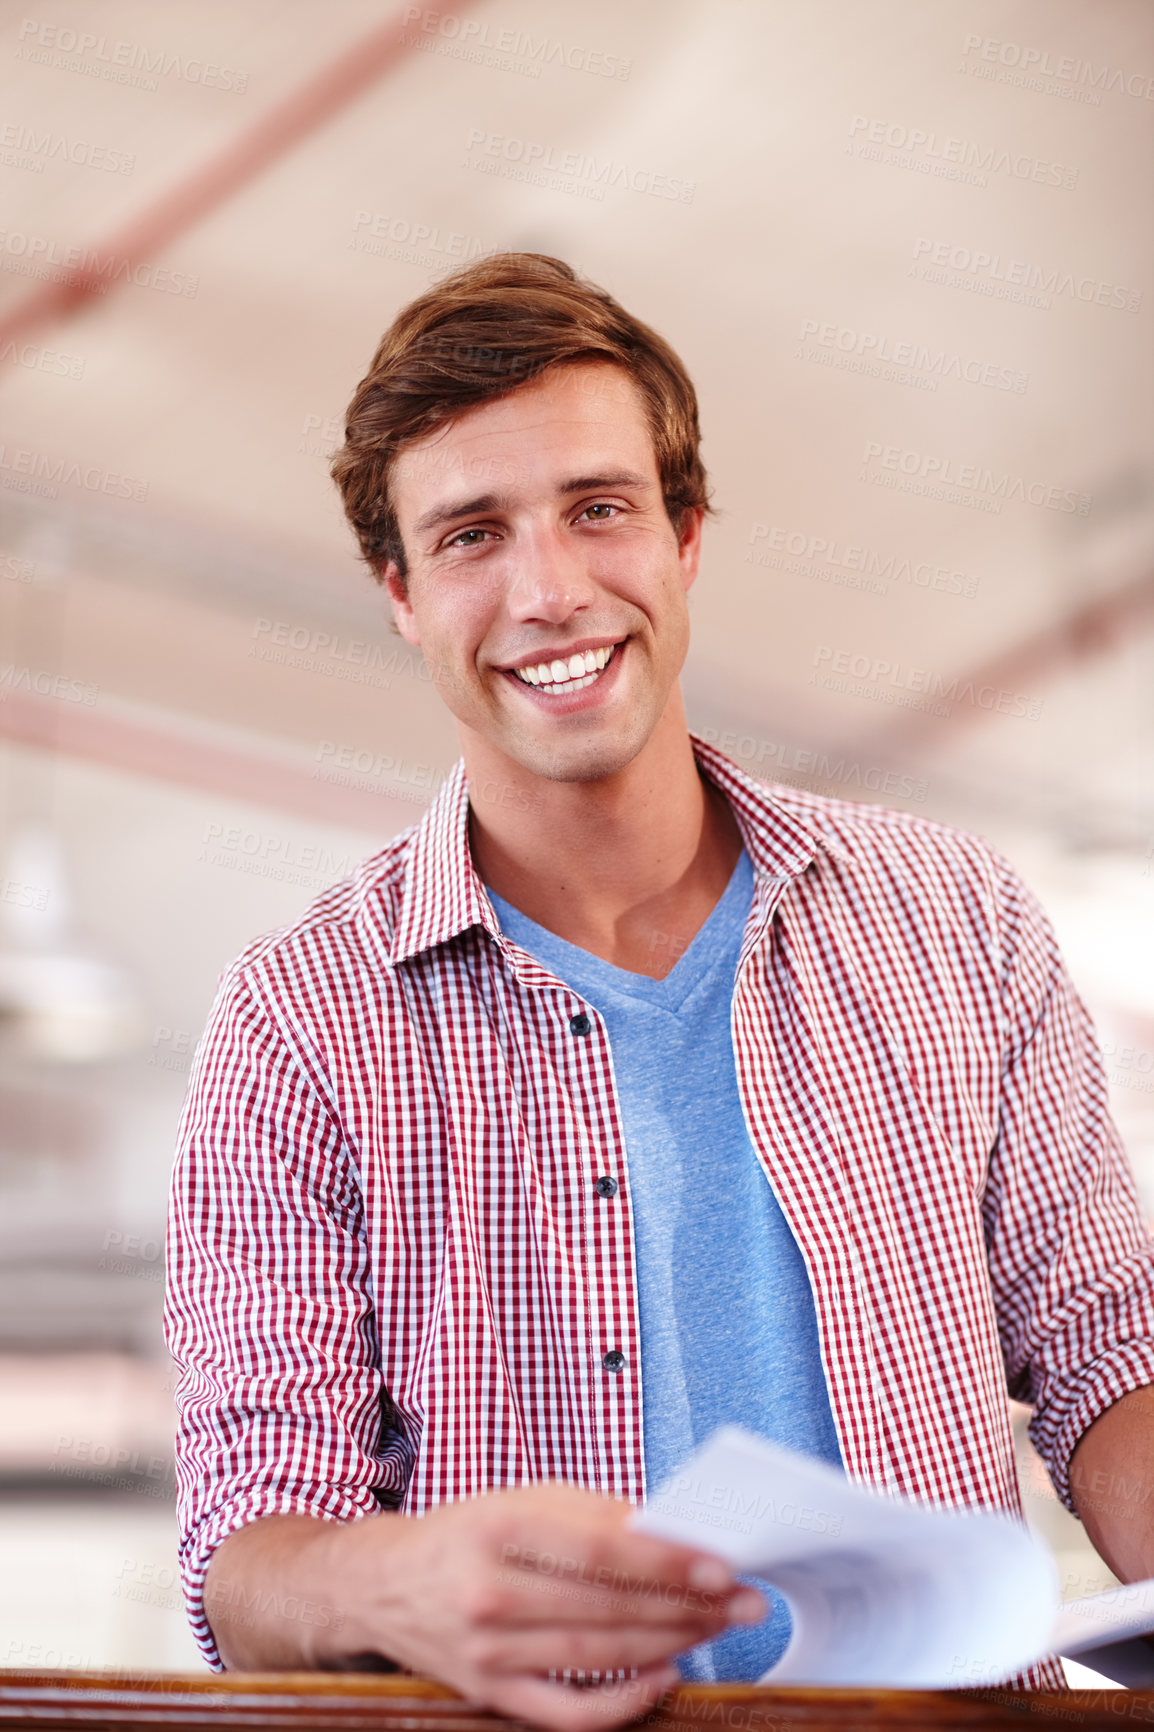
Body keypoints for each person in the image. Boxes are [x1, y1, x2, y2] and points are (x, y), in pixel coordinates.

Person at [165, 253, 1154, 1727]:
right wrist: (387, 1584)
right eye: (470, 535)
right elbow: (249, 1548)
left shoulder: (955, 921)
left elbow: (1105, 1350)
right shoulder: (301, 1018)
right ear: (399, 592)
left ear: (685, 535)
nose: (549, 590)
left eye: (597, 508)